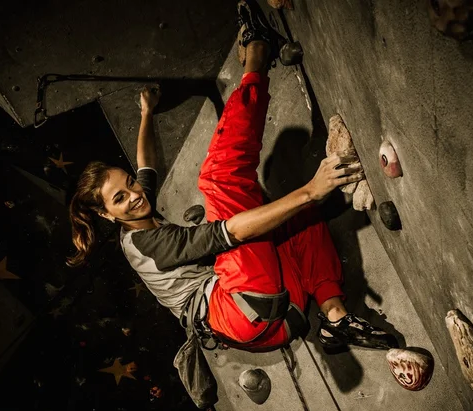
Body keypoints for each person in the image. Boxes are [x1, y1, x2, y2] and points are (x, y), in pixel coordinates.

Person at [67, 0, 397, 354]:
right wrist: (311, 191)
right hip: (244, 310)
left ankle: (335, 319)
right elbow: (231, 232)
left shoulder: (135, 209)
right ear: (105, 215)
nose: (134, 194)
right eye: (119, 198)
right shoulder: (149, 245)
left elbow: (145, 166)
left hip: (286, 316)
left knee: (294, 218)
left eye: (128, 183)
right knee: (219, 178)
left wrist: (147, 113)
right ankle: (257, 48)